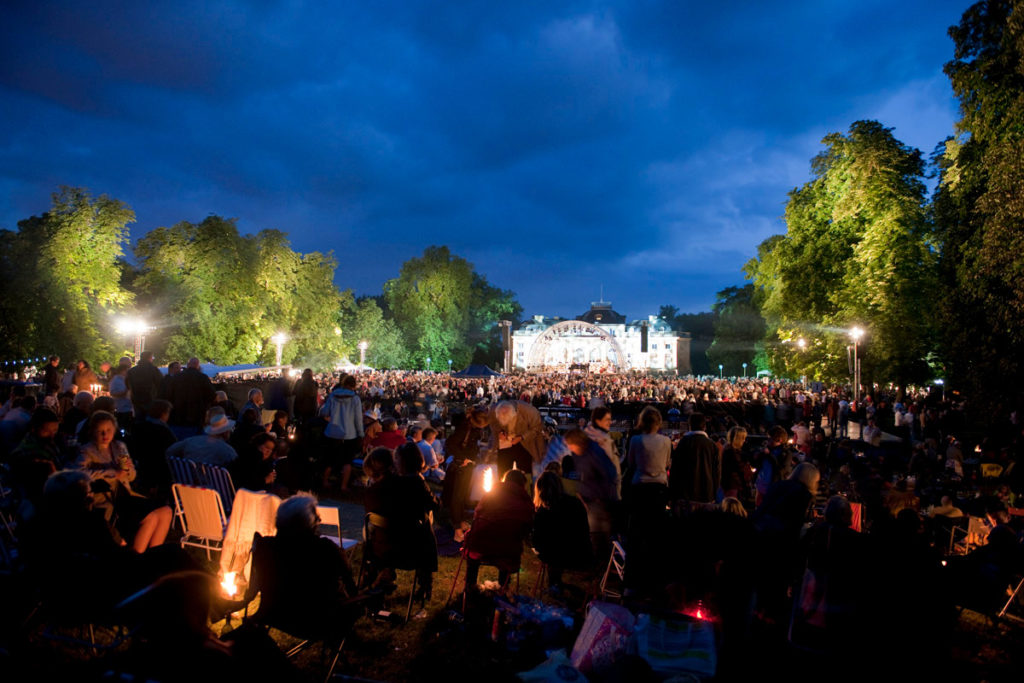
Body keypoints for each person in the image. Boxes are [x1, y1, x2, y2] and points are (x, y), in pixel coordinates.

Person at [76, 410, 173, 553]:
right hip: (106, 496)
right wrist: (111, 473)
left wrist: (126, 469)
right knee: (150, 516)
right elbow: (79, 473)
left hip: (125, 494)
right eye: (100, 431)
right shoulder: (87, 451)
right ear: (93, 431)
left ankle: (154, 555)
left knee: (166, 511)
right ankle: (136, 556)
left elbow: (131, 475)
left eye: (108, 430)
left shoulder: (119, 447)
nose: (105, 435)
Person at [463, 468, 534, 592]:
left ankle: (470, 584)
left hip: (480, 545)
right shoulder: (525, 500)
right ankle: (503, 584)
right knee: (509, 541)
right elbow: (527, 524)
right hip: (507, 550)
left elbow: (477, 513)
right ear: (522, 484)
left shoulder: (492, 493)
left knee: (475, 544)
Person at [565, 427, 620, 560]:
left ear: (578, 443)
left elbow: (610, 474)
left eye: (571, 446)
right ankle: (600, 564)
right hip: (589, 498)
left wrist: (600, 495)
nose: (570, 449)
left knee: (600, 533)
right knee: (594, 533)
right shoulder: (579, 454)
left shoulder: (595, 453)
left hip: (599, 500)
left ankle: (604, 565)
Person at [532, 471, 592, 590]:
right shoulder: (575, 503)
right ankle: (555, 584)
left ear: (539, 490)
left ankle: (554, 584)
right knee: (554, 548)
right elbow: (585, 530)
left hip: (557, 558)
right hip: (581, 555)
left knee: (551, 550)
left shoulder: (543, 511)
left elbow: (537, 541)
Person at [475, 400, 547, 478]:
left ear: (513, 415)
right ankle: (504, 486)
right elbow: (494, 425)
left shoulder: (529, 412)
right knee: (503, 469)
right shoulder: (495, 409)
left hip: (525, 444)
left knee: (525, 472)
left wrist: (521, 437)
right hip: (506, 443)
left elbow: (537, 429)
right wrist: (500, 432)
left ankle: (524, 486)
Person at [320, 374, 364, 494]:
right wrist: (361, 433)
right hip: (349, 434)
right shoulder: (355, 399)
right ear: (354, 386)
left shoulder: (332, 396)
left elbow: (324, 412)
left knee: (329, 459)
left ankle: (324, 482)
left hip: (332, 431)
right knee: (347, 461)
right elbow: (358, 419)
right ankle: (343, 486)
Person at [128, 399, 177, 500]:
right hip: (159, 469)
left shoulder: (138, 426)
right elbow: (173, 448)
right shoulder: (164, 431)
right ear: (163, 414)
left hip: (142, 465)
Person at [669, 413, 720, 505]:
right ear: (704, 426)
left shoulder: (683, 443)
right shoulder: (711, 445)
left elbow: (675, 470)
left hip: (685, 493)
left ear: (690, 425)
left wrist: (673, 493)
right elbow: (716, 472)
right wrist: (714, 492)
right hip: (707, 493)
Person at [166, 408, 238, 466]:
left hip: (186, 482)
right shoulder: (227, 450)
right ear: (225, 432)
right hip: (212, 482)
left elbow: (169, 452)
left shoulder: (190, 441)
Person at [167, 358, 215, 438]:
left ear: (188, 365)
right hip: (197, 417)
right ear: (198, 366)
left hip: (178, 416)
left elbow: (169, 394)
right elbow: (212, 395)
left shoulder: (176, 377)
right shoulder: (202, 378)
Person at [126, 351, 163, 417]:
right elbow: (161, 383)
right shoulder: (154, 370)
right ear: (150, 358)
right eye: (152, 357)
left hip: (136, 399)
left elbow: (127, 384)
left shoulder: (132, 371)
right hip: (150, 399)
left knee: (138, 420)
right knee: (150, 420)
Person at [109, 356, 135, 432]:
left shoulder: (125, 379)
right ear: (123, 371)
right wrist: (127, 390)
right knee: (124, 429)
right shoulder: (116, 380)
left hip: (129, 408)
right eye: (127, 371)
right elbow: (114, 393)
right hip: (122, 409)